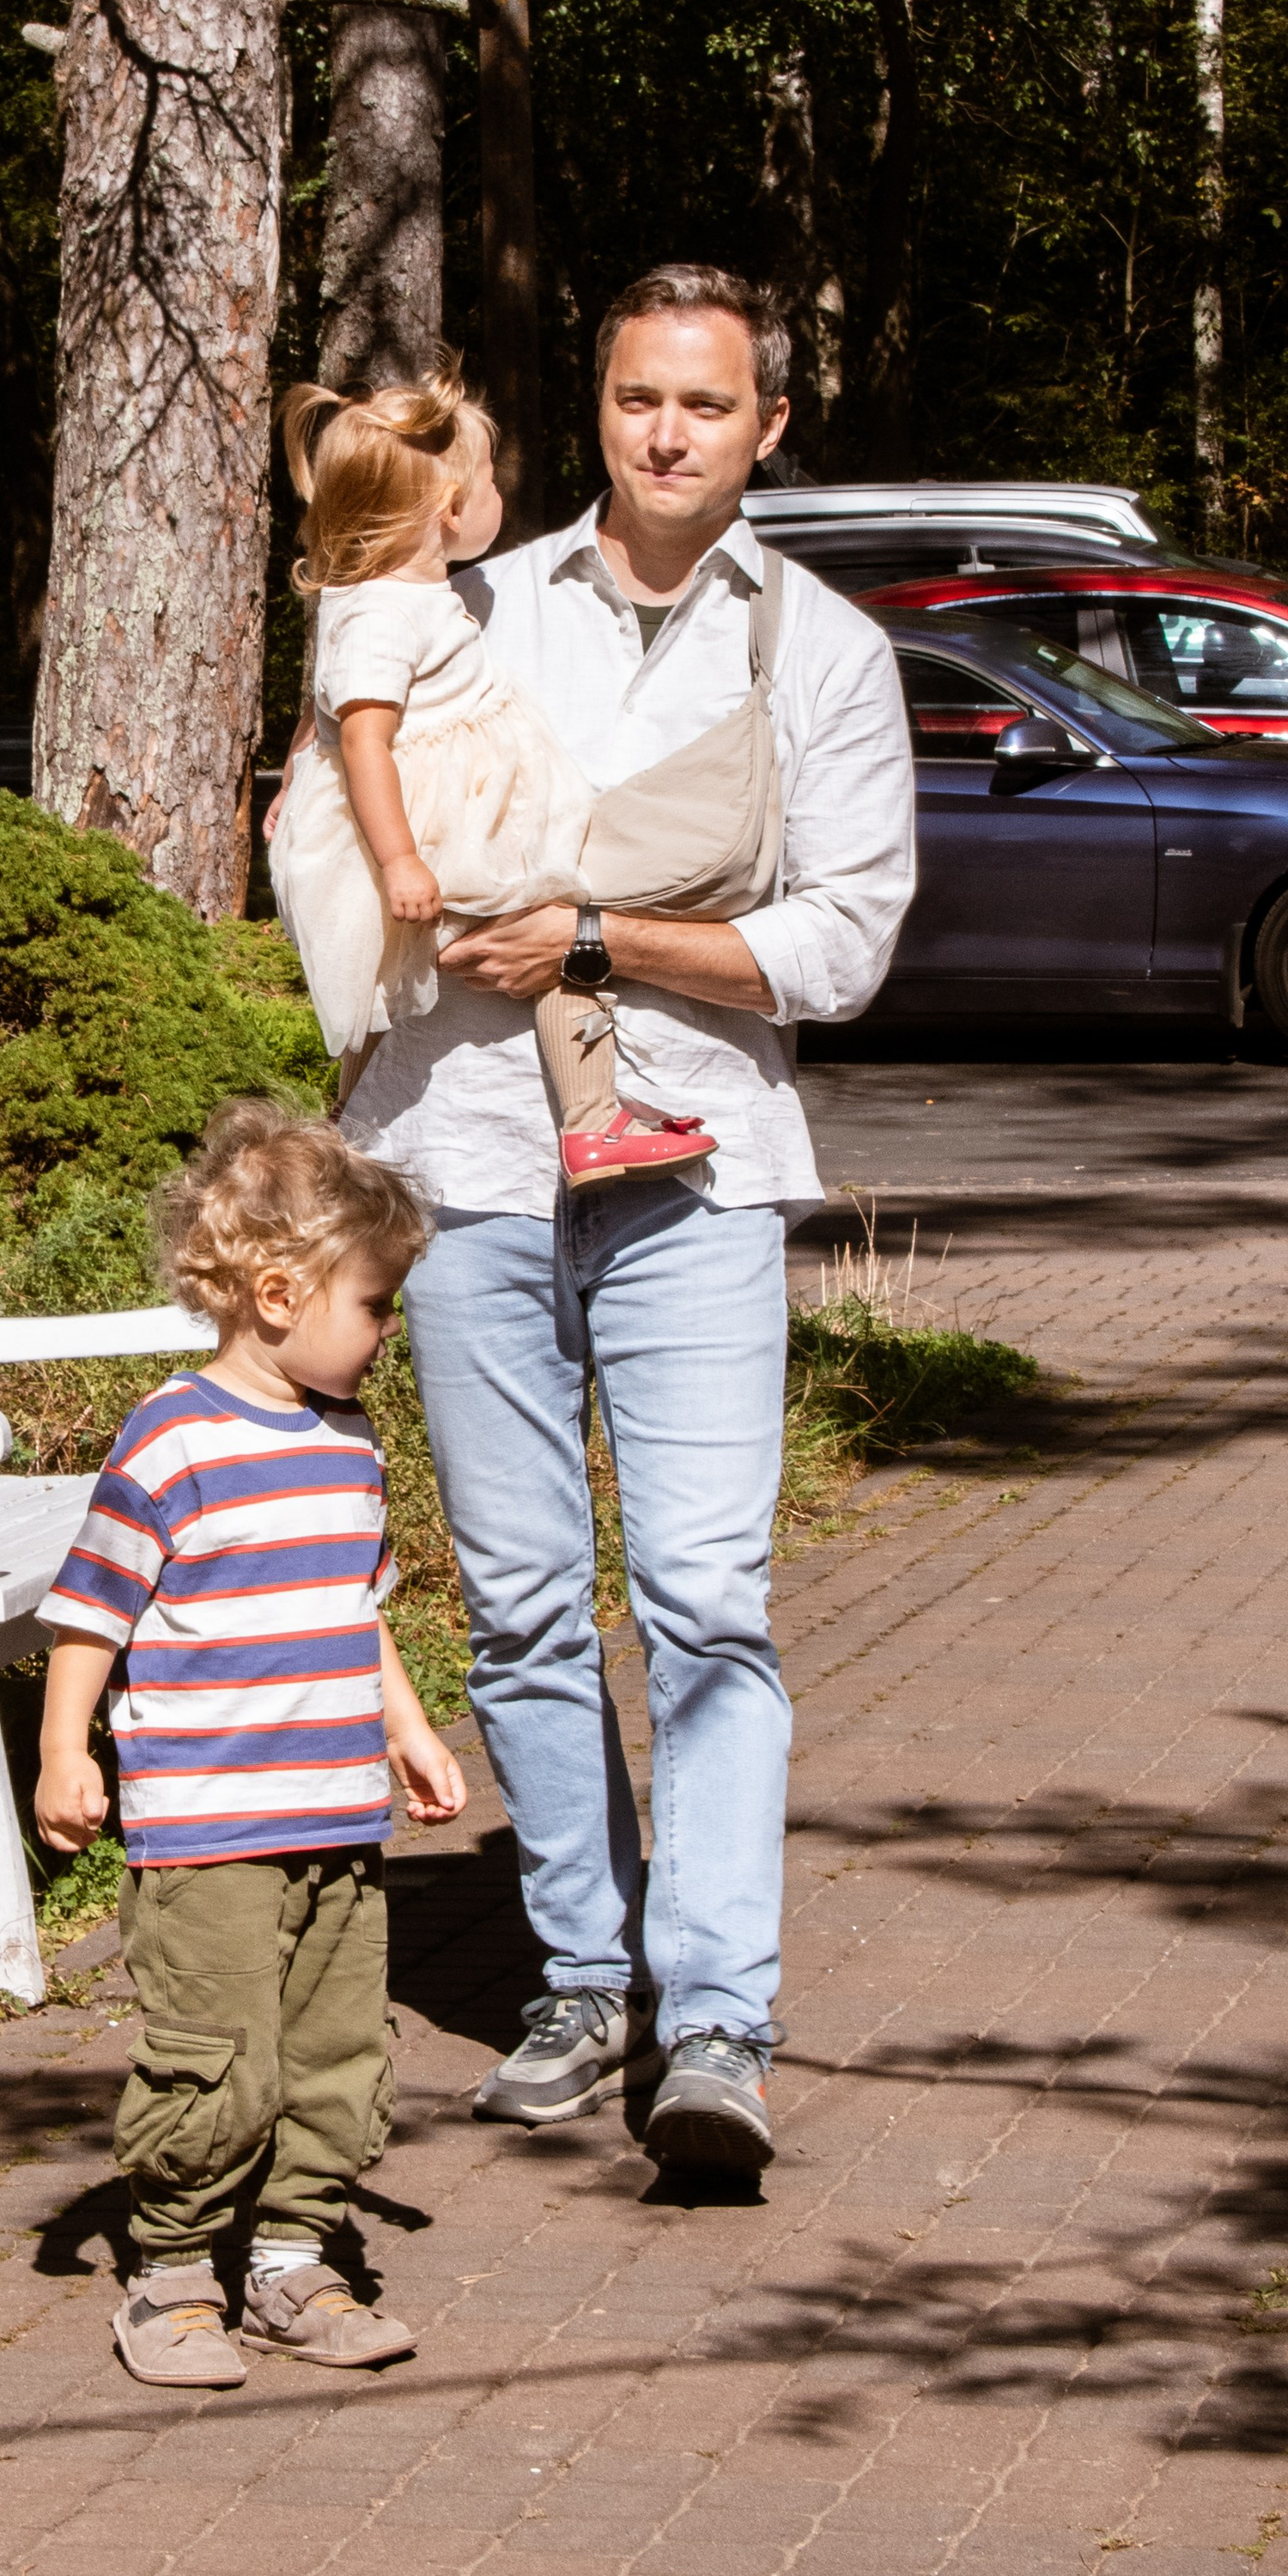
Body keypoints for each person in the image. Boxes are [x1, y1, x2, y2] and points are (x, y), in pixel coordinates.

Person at [338, 263, 916, 2174]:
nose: (665, 435)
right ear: (596, 407)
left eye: (705, 404)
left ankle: (716, 2021)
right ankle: (583, 1978)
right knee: (519, 1602)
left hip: (696, 1169)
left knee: (704, 1600)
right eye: (634, 398)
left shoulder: (823, 651)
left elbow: (843, 943)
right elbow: (356, 812)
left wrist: (598, 935)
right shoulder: (471, 604)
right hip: (474, 1156)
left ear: (768, 427)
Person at [33, 1100, 468, 2390]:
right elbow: (89, 1612)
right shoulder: (173, 1441)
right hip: (207, 1827)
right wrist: (64, 1752)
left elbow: (355, 1609)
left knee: (335, 2055)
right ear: (280, 1295)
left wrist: (408, 1728)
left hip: (335, 1816)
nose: (389, 1331)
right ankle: (171, 2274)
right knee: (215, 2058)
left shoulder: (348, 1444)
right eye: (375, 1306)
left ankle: (290, 2262)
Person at [268, 362, 717, 1189]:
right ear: (449, 511)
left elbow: (323, 704)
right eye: (487, 483)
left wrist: (298, 767)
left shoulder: (390, 595)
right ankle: (593, 1121)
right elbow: (362, 739)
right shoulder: (382, 610)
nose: (497, 496)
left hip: (441, 816)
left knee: (381, 993)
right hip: (435, 828)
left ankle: (346, 1136)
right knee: (555, 934)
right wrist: (401, 859)